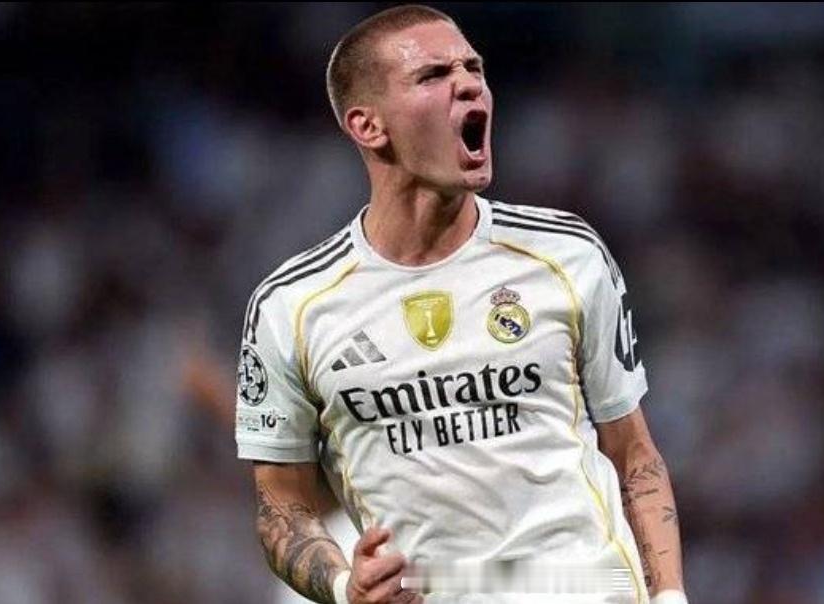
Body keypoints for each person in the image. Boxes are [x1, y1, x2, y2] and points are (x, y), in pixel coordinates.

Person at [235, 5, 686, 604]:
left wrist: (670, 596)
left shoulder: (567, 256)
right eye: (433, 75)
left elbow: (633, 455)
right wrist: (345, 586)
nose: (470, 84)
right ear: (367, 126)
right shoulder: (292, 305)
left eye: (473, 68)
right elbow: (282, 504)